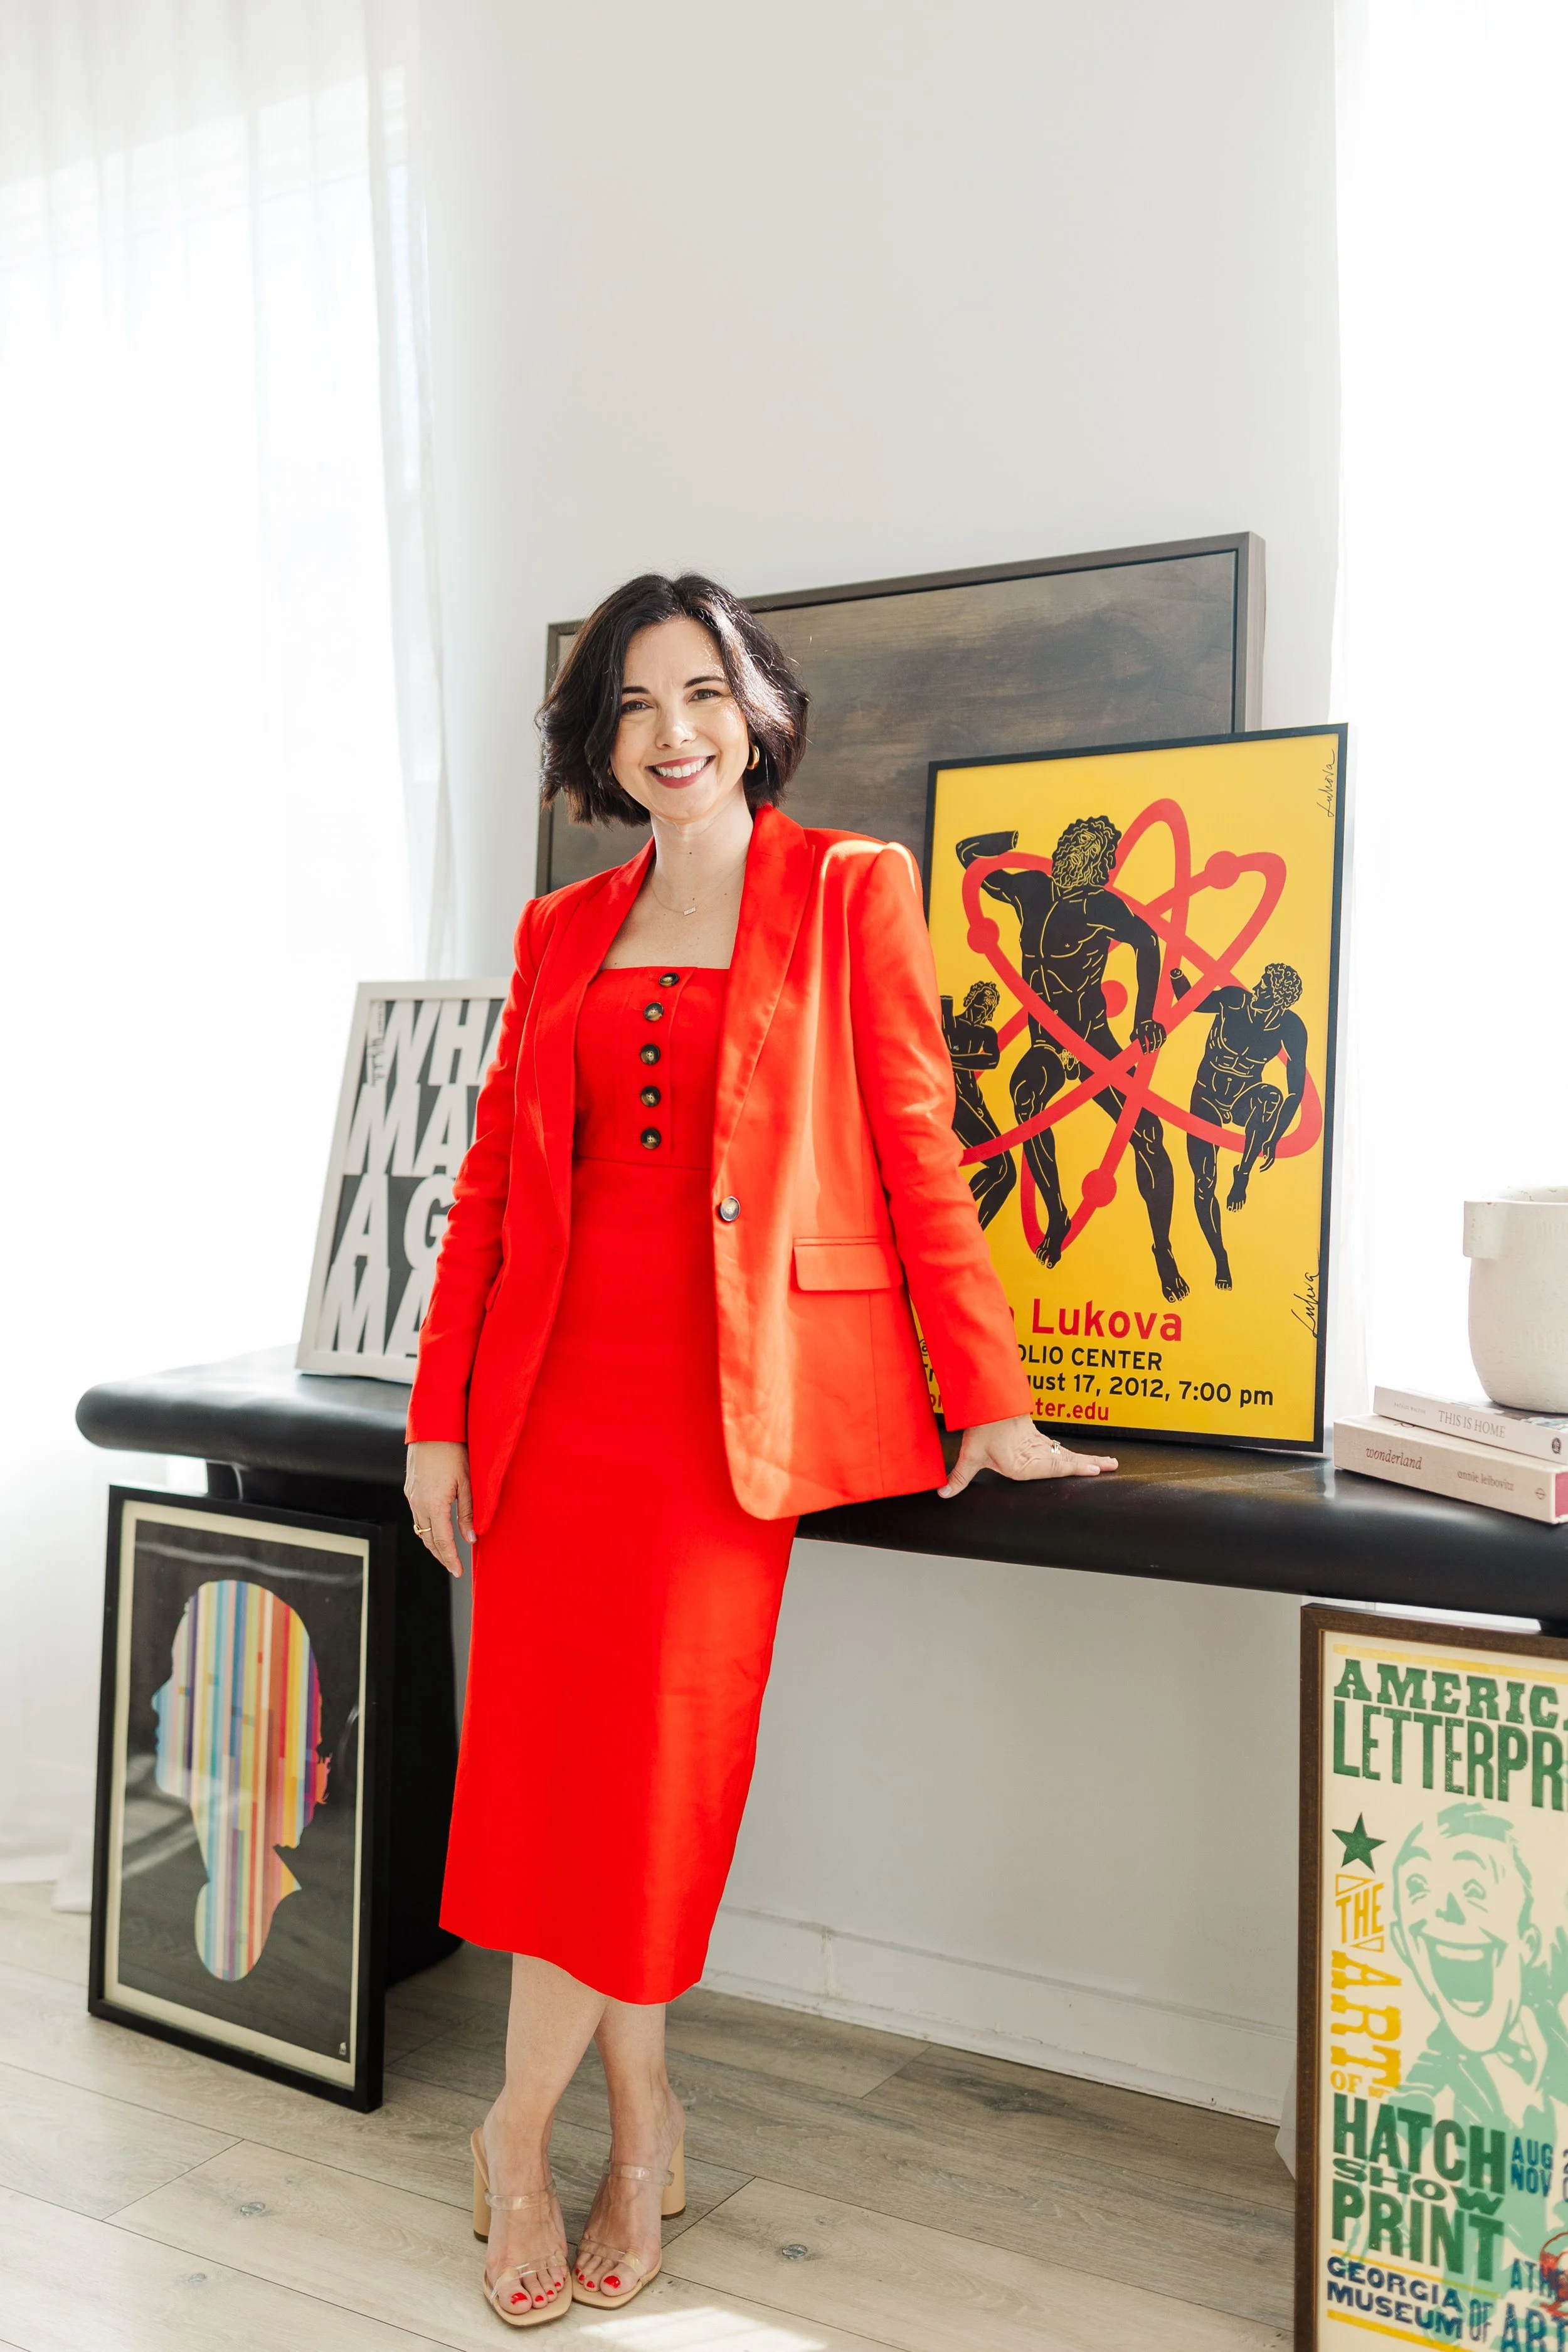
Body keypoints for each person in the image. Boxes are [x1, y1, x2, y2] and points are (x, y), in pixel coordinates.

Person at [403, 573, 1117, 2330]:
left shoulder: (850, 886)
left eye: (703, 692)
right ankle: (636, 2117)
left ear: (757, 709)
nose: (674, 731)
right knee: (553, 1780)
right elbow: (490, 1185)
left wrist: (990, 1394)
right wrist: (437, 1413)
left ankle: (517, 2128)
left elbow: (917, 1141)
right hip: (548, 1399)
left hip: (728, 1410)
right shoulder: (559, 928)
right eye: (635, 704)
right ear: (598, 744)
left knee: (645, 1786)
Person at [956, 821, 1189, 1300]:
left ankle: (1164, 1250)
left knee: (1148, 1133)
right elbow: (970, 860)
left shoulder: (1100, 906)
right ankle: (1058, 1212)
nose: (1105, 865)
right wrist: (1006, 842)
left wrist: (1144, 1019)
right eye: (1100, 856)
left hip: (1091, 1042)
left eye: (1103, 857)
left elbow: (1147, 942)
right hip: (1046, 1044)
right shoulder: (1030, 889)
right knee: (1025, 1097)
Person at [1170, 962, 1307, 1289]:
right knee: (1204, 1184)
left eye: (1266, 986)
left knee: (1272, 1096)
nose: (1257, 987)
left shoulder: (1291, 1028)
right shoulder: (1234, 999)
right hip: (1208, 1096)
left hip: (1244, 1098)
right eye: (1261, 981)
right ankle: (1221, 1256)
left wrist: (1274, 1138)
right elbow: (1191, 1003)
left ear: (1279, 999)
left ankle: (1242, 1172)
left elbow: (1295, 1091)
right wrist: (1176, 975)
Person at [941, 978, 1017, 1228]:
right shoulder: (949, 1023)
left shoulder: (987, 1033)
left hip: (978, 1105)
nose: (987, 1002)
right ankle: (957, 1216)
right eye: (984, 996)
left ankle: (974, 1228)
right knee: (1000, 1168)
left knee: (1008, 1176)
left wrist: (952, 1058)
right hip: (958, 1104)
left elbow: (991, 1060)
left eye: (991, 1001)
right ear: (972, 996)